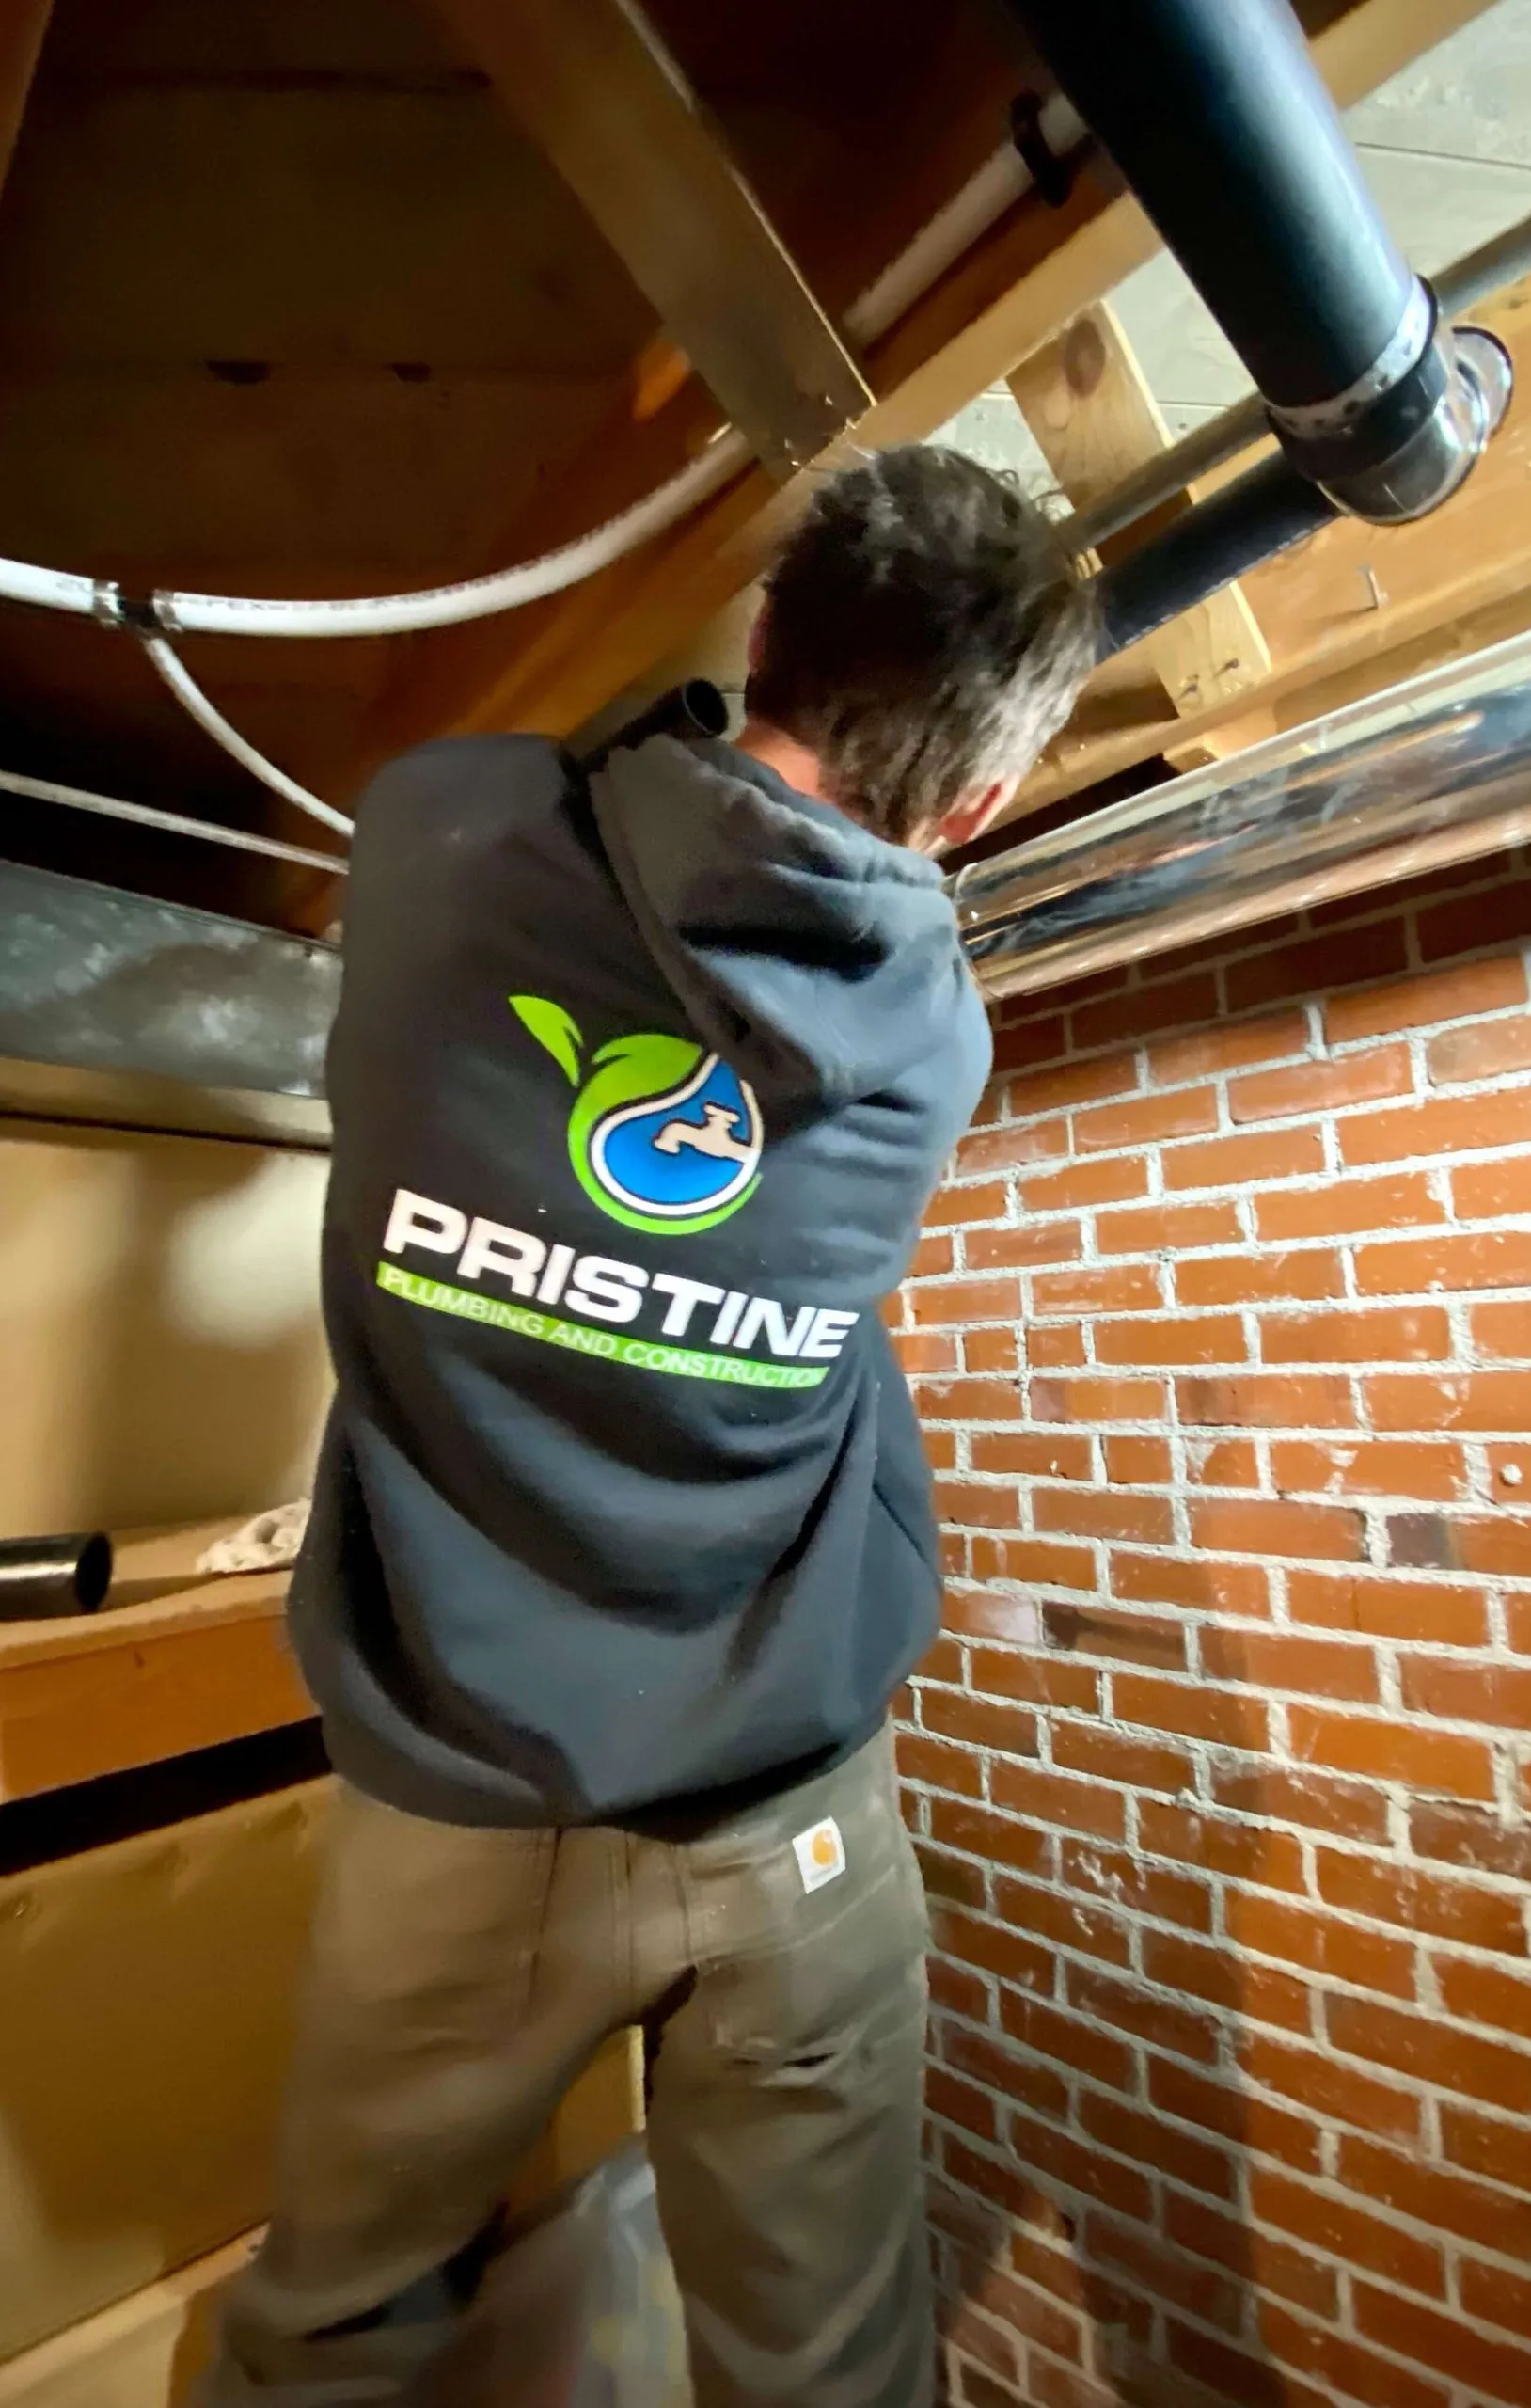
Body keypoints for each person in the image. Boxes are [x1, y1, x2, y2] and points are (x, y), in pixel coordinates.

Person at [207, 444, 1097, 2408]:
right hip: (794, 1807)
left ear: (761, 633)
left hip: (465, 1803)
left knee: (330, 2339)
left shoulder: (439, 830)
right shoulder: (933, 1038)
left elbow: (612, 775)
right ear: (976, 806)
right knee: (830, 2371)